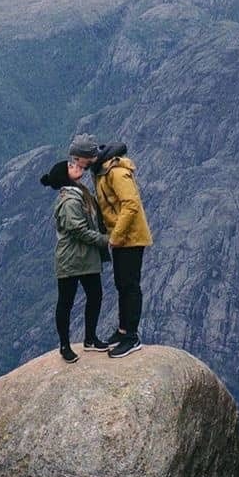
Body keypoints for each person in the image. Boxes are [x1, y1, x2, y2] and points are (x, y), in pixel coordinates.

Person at [68, 133, 151, 358]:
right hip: (121, 238)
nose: (76, 163)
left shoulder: (115, 172)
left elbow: (131, 204)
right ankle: (124, 330)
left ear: (87, 157)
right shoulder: (100, 171)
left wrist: (115, 236)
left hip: (130, 238)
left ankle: (132, 337)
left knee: (130, 285)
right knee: (122, 284)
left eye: (77, 159)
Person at [39, 158, 110, 363]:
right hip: (71, 258)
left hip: (85, 257)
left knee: (94, 296)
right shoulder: (70, 200)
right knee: (66, 302)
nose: (76, 166)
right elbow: (78, 230)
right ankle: (65, 346)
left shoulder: (79, 192)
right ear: (64, 176)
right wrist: (105, 241)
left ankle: (90, 338)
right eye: (70, 166)